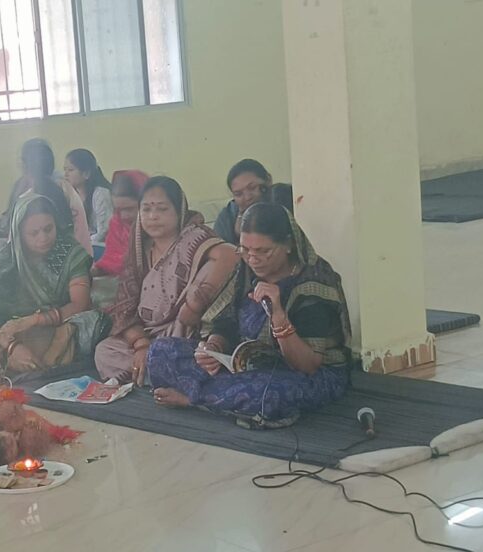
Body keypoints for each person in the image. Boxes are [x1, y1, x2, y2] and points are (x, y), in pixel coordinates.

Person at [148, 203, 352, 428]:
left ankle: (194, 399)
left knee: (270, 393)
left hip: (303, 373)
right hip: (246, 364)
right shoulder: (248, 268)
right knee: (160, 351)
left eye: (263, 251)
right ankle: (224, 397)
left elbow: (308, 365)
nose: (253, 259)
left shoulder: (313, 283)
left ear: (288, 244)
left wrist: (278, 315)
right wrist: (213, 349)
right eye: (245, 249)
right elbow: (227, 320)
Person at [95, 176, 239, 385]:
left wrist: (194, 303)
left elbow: (231, 254)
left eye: (162, 209)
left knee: (181, 353)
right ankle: (159, 374)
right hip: (149, 334)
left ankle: (151, 375)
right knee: (105, 350)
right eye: (146, 209)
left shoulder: (194, 238)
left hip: (185, 333)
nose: (153, 216)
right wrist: (141, 345)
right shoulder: (139, 249)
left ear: (179, 210)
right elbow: (126, 308)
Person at [0, 195, 109, 388]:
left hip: (60, 332)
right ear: (20, 233)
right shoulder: (7, 260)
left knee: (95, 322)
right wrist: (12, 347)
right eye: (34, 233)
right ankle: (31, 363)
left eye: (48, 229)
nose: (43, 238)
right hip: (16, 334)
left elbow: (79, 305)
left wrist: (34, 320)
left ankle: (24, 365)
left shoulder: (70, 253)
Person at [0, 139, 92, 256]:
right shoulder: (68, 190)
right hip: (79, 260)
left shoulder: (30, 197)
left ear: (24, 165)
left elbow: (16, 250)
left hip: (52, 261)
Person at [91, 170, 148, 278]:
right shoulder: (116, 225)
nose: (123, 216)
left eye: (129, 209)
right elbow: (111, 260)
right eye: (118, 210)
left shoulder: (157, 229)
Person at [214, 159, 273, 246]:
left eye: (252, 188)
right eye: (238, 194)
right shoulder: (227, 218)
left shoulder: (286, 198)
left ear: (268, 180)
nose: (248, 197)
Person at [64, 149, 113, 243]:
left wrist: (82, 243)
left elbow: (103, 231)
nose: (66, 174)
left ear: (86, 174)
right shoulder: (71, 195)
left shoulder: (101, 194)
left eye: (70, 170)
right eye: (65, 170)